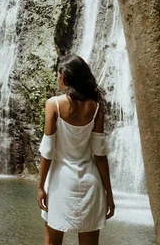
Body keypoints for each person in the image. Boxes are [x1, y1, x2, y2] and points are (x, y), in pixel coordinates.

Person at [37, 54, 115, 245]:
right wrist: (109, 193)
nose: (57, 79)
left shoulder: (53, 105)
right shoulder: (96, 107)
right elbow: (100, 154)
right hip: (91, 183)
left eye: (58, 74)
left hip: (60, 183)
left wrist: (40, 187)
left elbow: (47, 151)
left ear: (63, 75)